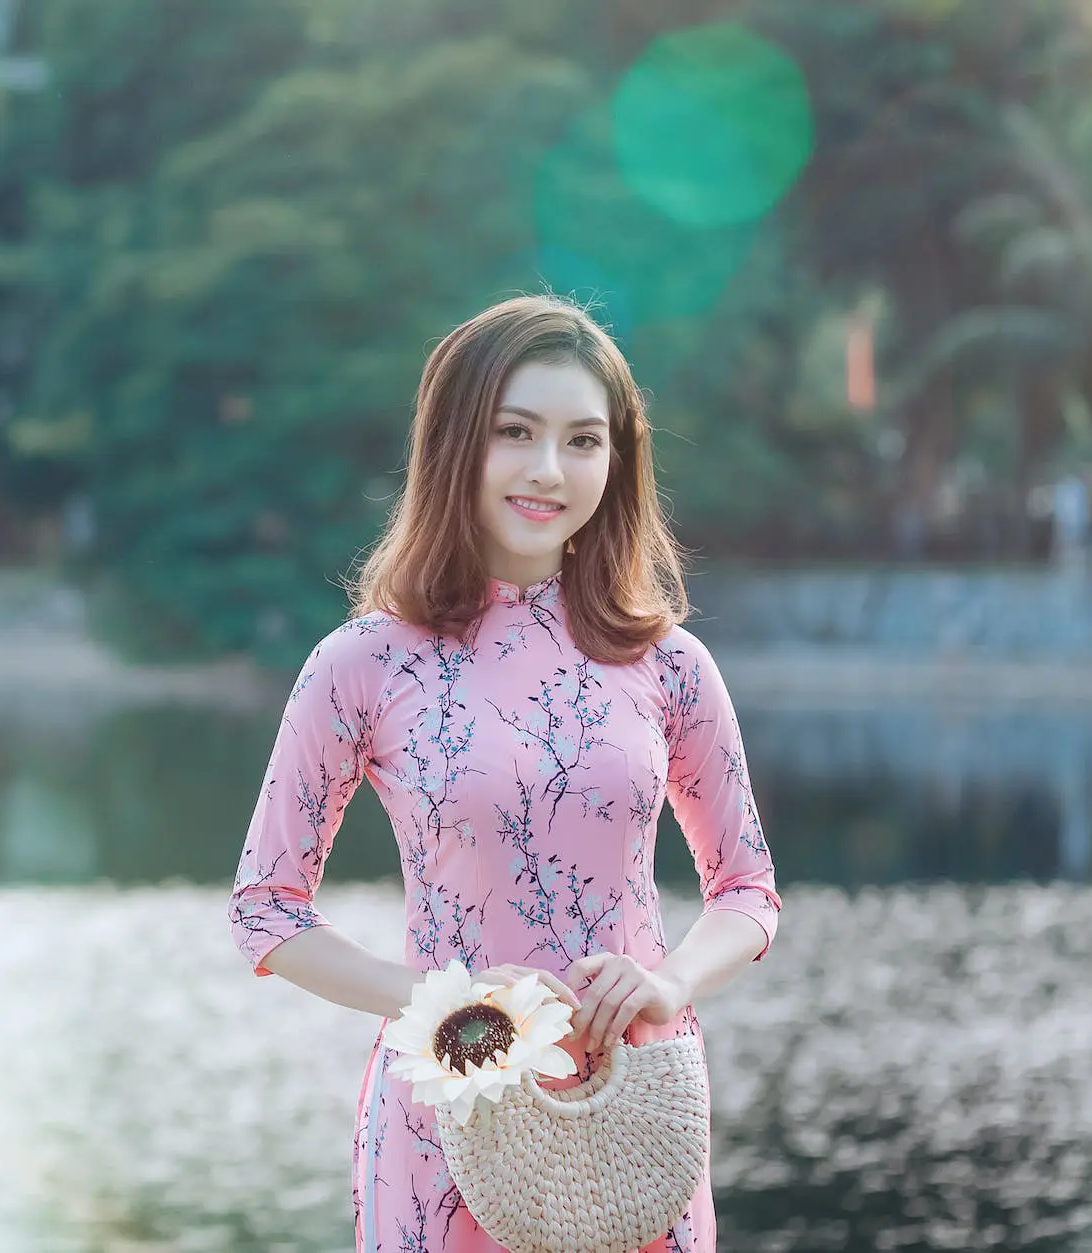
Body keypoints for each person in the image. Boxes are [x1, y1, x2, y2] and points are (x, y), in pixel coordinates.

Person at [226, 295, 781, 1252]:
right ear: (454, 444)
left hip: (635, 1116)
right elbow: (265, 910)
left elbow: (748, 890)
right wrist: (444, 1005)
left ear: (619, 460)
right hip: (447, 1124)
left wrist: (667, 981)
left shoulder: (670, 665)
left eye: (583, 440)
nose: (547, 470)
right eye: (514, 432)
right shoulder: (365, 663)